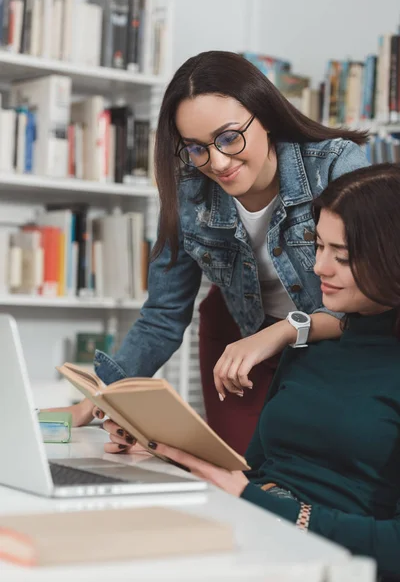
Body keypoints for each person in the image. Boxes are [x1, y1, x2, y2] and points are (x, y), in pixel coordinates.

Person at [100, 163, 400, 580]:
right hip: (255, 539)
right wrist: (167, 453)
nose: (318, 269)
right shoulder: (312, 344)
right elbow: (256, 473)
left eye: (342, 256)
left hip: (322, 560)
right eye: (318, 246)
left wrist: (266, 506)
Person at [61, 50, 370, 454]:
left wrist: (282, 332)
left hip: (334, 339)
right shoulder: (189, 192)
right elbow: (162, 317)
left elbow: (367, 296)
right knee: (239, 467)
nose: (217, 162)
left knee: (304, 471)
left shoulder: (333, 166)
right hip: (238, 339)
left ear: (265, 115)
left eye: (228, 138)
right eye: (196, 147)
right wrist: (100, 400)